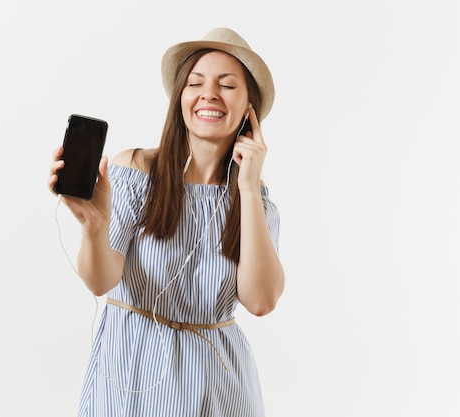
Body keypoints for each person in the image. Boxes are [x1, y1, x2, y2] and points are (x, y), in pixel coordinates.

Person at [48, 27, 284, 417]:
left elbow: (260, 302)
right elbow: (100, 280)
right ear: (180, 99)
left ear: (248, 110)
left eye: (227, 85)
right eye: (195, 82)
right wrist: (93, 228)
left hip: (217, 386)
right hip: (130, 371)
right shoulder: (135, 171)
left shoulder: (255, 202)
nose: (209, 93)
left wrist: (247, 186)